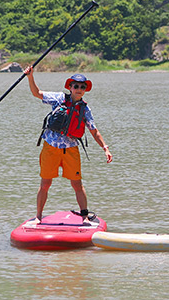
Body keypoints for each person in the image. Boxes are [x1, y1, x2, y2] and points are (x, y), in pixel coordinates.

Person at [24, 66, 112, 222]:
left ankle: (84, 216)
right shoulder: (58, 98)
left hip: (71, 150)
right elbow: (37, 93)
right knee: (45, 183)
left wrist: (105, 148)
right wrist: (30, 77)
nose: (79, 89)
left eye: (82, 87)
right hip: (50, 147)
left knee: (77, 184)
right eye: (76, 86)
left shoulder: (85, 109)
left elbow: (94, 131)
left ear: (85, 90)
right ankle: (38, 216)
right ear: (70, 87)